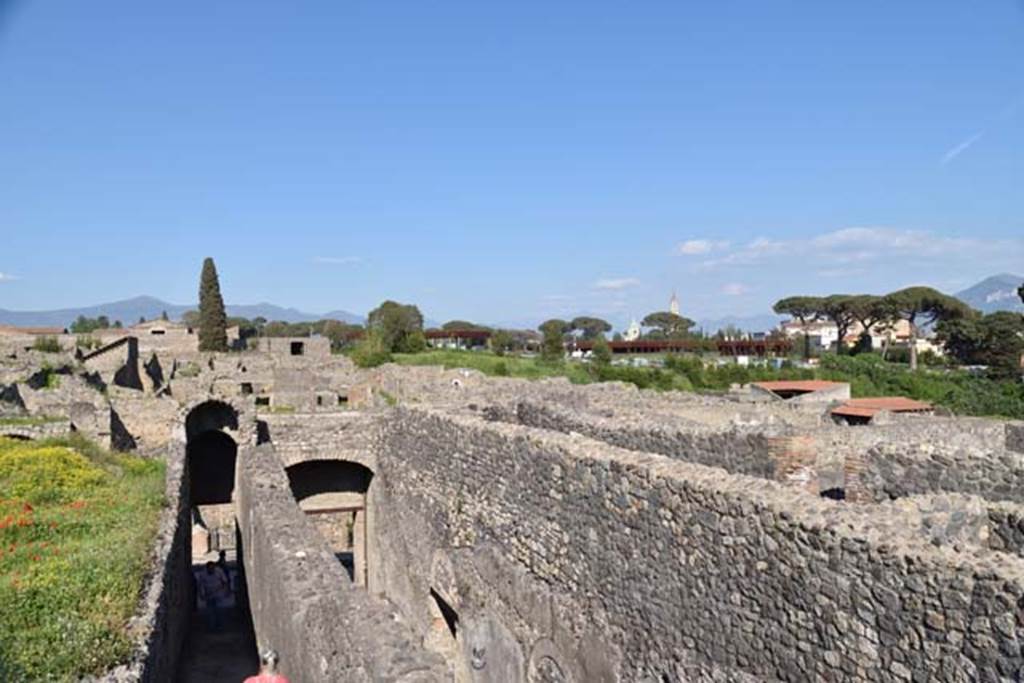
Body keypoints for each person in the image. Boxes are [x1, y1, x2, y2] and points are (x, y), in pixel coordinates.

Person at [196, 560, 230, 630]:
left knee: (219, 611)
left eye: (213, 568)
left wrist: (226, 591)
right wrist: (200, 594)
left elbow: (225, 582)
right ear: (207, 568)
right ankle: (212, 627)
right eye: (210, 569)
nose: (211, 570)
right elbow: (199, 585)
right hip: (209, 594)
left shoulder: (219, 571)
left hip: (219, 593)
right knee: (210, 612)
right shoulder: (203, 574)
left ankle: (220, 626)